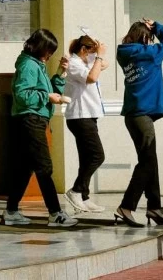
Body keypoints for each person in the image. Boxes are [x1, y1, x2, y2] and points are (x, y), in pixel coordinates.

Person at [4, 29, 78, 228]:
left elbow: (48, 90)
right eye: (49, 51)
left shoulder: (35, 64)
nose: (50, 55)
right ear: (41, 48)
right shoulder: (29, 65)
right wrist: (47, 97)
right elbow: (23, 94)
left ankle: (11, 211)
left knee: (25, 168)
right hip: (30, 120)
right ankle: (55, 213)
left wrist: (61, 75)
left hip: (33, 119)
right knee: (44, 167)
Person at [114, 18, 163, 227]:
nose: (150, 41)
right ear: (143, 37)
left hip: (134, 115)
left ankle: (154, 207)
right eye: (148, 38)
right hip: (142, 115)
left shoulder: (124, 54)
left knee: (150, 160)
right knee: (147, 162)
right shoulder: (149, 54)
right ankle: (126, 206)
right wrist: (157, 26)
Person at [62, 34, 109, 215]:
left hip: (90, 116)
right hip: (80, 117)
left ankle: (84, 195)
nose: (94, 56)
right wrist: (97, 57)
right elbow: (92, 78)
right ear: (83, 50)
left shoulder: (84, 63)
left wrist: (97, 55)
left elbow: (104, 65)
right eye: (91, 51)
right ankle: (75, 190)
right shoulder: (74, 63)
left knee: (86, 158)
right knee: (97, 156)